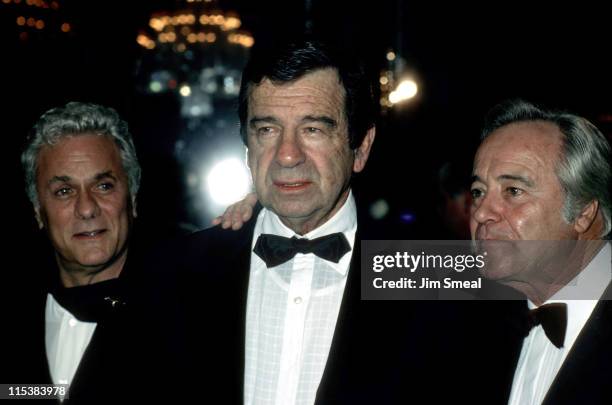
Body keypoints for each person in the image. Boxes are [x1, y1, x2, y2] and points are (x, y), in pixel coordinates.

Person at [154, 38, 451, 405]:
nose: (287, 154)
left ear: (361, 148)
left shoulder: (430, 273)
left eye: (313, 129)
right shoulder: (176, 270)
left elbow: (538, 272)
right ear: (247, 146)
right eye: (267, 130)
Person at [3, 102, 147, 403]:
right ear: (38, 211)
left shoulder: (184, 314)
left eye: (104, 186)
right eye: (64, 191)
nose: (86, 208)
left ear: (132, 197)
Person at [470, 99, 612, 404]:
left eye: (513, 191)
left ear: (584, 212)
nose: (481, 213)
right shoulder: (470, 333)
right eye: (478, 192)